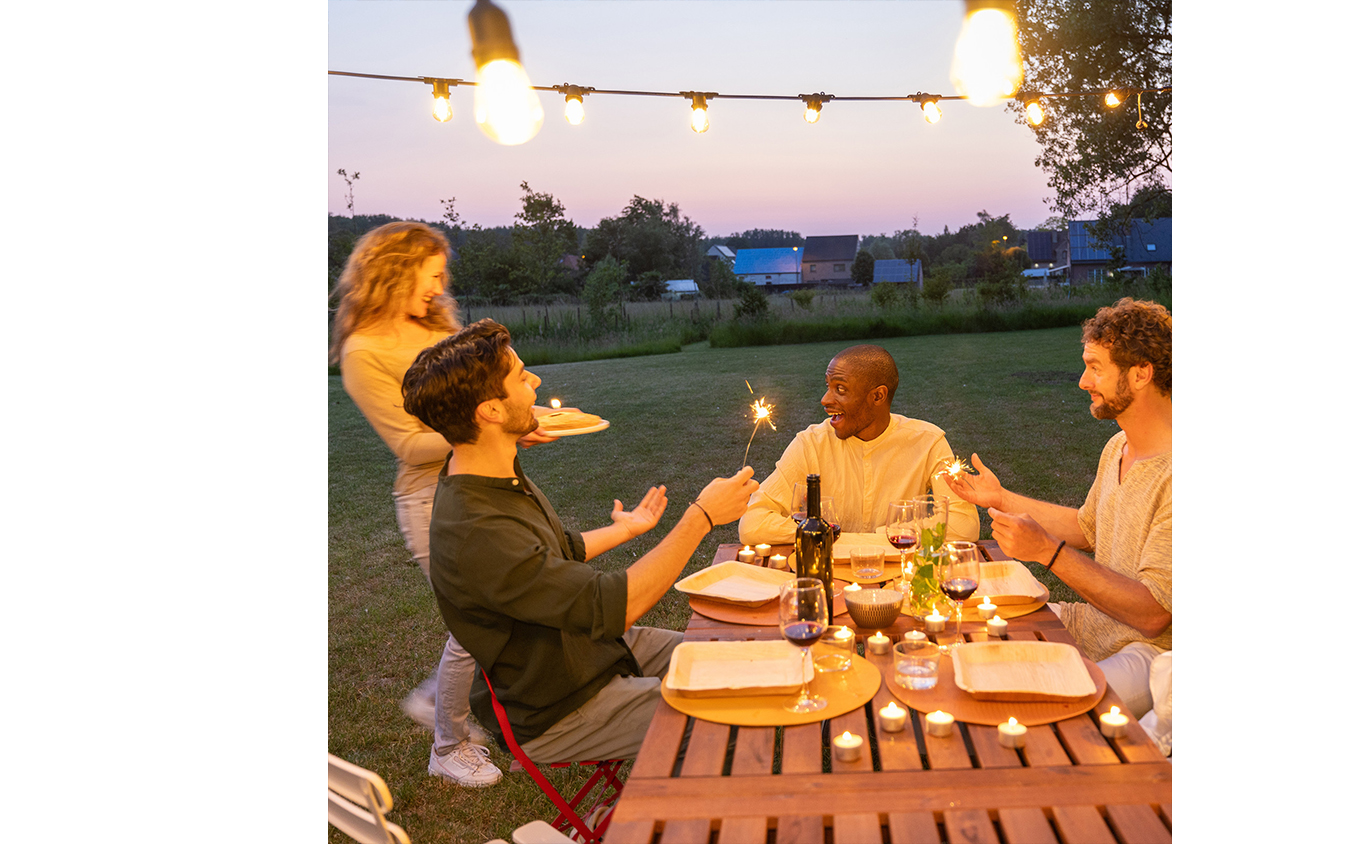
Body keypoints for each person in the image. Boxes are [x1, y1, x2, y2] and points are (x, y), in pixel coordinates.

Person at [402, 319, 759, 762]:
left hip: (592, 651)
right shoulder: (477, 530)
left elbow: (553, 552)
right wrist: (700, 518)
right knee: (726, 708)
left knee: (738, 664)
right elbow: (611, 606)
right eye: (521, 377)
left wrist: (624, 529)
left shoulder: (484, 471)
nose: (535, 381)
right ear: (490, 410)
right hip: (560, 704)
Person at [331, 221, 559, 786]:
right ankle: (448, 744)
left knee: (513, 607)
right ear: (393, 272)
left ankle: (448, 700)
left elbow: (486, 395)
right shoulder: (363, 351)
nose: (439, 287)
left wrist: (515, 415)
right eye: (430, 275)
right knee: (481, 618)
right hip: (431, 499)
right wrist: (495, 426)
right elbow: (410, 445)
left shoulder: (438, 326)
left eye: (441, 275)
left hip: (487, 480)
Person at [950, 298, 1171, 719]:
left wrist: (1048, 552)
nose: (1083, 381)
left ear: (1141, 373)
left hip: (1153, 655)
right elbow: (1088, 528)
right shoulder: (1118, 447)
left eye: (1096, 367)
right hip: (1094, 624)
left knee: (1039, 703)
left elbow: (1154, 614)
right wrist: (1001, 499)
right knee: (965, 630)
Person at [738, 344, 980, 545]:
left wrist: (873, 539)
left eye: (840, 389)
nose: (825, 400)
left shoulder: (928, 441)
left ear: (877, 396)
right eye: (828, 386)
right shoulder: (811, 443)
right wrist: (829, 535)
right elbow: (752, 524)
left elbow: (964, 524)